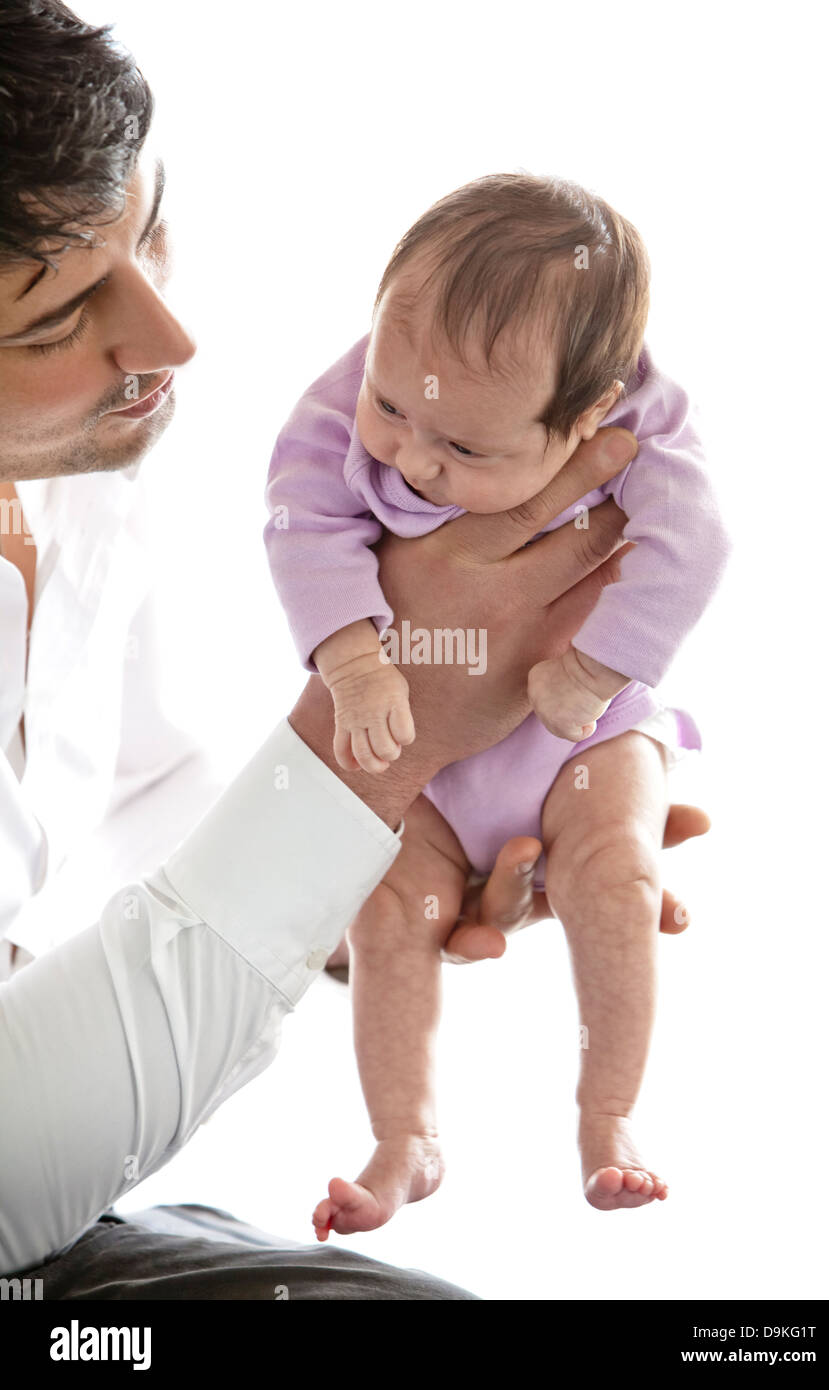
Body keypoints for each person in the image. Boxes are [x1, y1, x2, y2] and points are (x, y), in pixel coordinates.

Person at [0, 0, 709, 1298]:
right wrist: (384, 744)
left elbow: (135, 801)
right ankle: (409, 1143)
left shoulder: (78, 458)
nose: (169, 339)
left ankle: (577, 1116)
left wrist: (396, 865)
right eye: (54, 318)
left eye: (147, 222)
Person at [264, 177, 730, 1239]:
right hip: (418, 757)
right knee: (386, 918)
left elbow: (693, 544)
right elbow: (300, 519)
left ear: (587, 415)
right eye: (393, 406)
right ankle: (403, 1139)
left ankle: (606, 1115)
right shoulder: (352, 400)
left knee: (612, 876)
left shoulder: (647, 427)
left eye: (463, 449)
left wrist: (600, 670)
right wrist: (354, 663)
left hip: (582, 736)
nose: (410, 454)